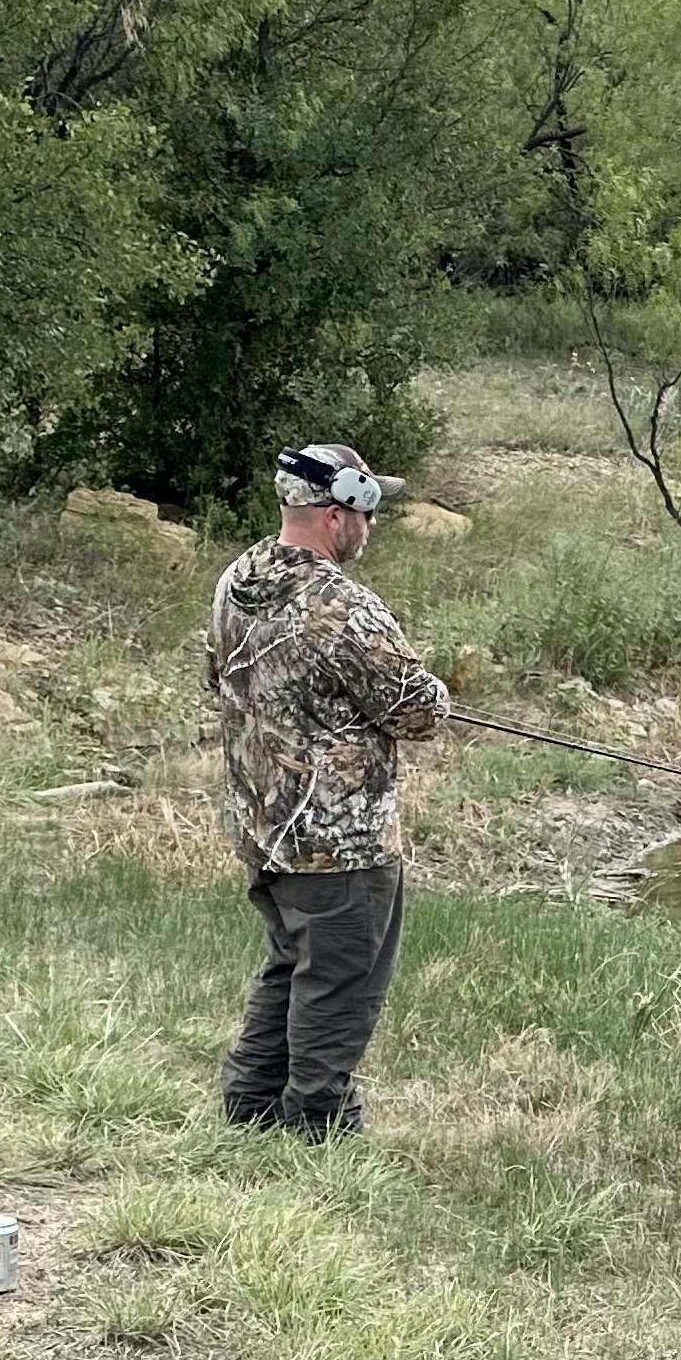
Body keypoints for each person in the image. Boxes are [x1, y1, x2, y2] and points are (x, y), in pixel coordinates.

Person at [206, 441, 449, 1139]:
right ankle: (317, 1130)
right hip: (341, 846)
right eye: (369, 510)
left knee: (290, 968)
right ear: (342, 511)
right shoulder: (342, 606)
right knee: (340, 989)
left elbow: (221, 677)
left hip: (262, 828)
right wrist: (433, 690)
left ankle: (249, 1112)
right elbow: (417, 710)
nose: (372, 527)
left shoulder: (237, 579)